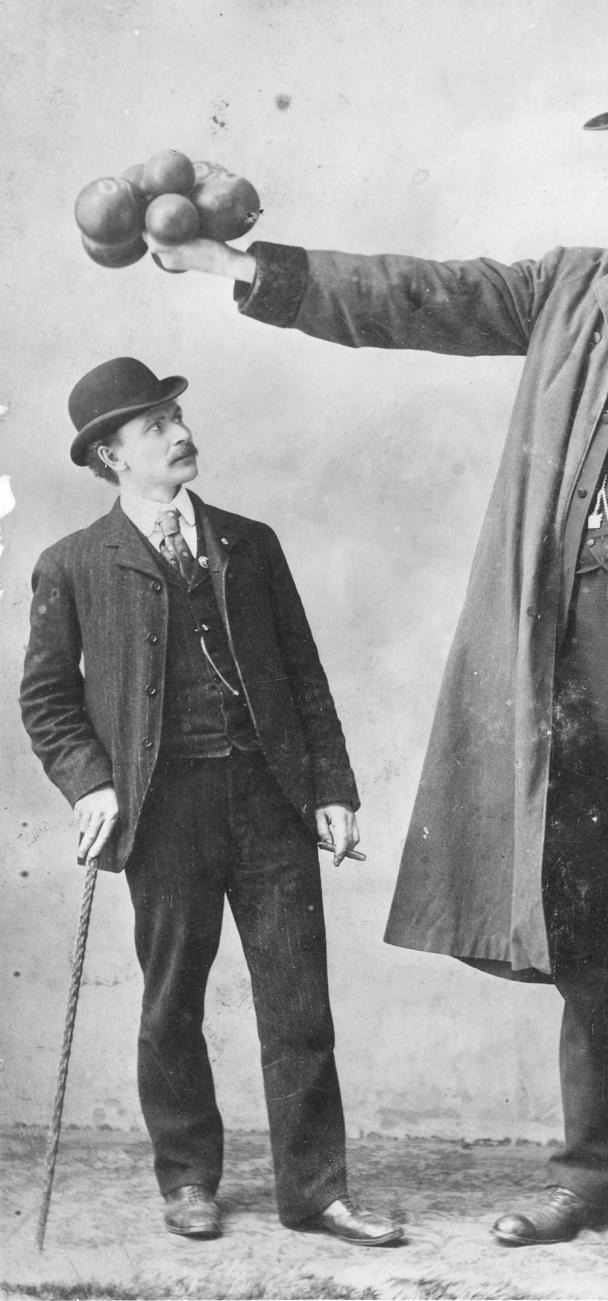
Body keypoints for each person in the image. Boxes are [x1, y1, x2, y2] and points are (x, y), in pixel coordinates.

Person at [145, 29, 608, 1263]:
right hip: (575, 658)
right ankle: (591, 1175)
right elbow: (417, 297)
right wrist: (238, 264)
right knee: (590, 915)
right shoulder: (573, 286)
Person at [20, 356, 404, 1247]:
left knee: (299, 1005)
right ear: (111, 457)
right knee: (172, 1002)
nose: (180, 433)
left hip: (270, 802)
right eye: (154, 425)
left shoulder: (250, 542)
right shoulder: (72, 564)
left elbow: (304, 674)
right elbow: (47, 701)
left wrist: (332, 789)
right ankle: (188, 1178)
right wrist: (92, 783)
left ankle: (317, 1192)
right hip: (163, 812)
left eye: (175, 416)